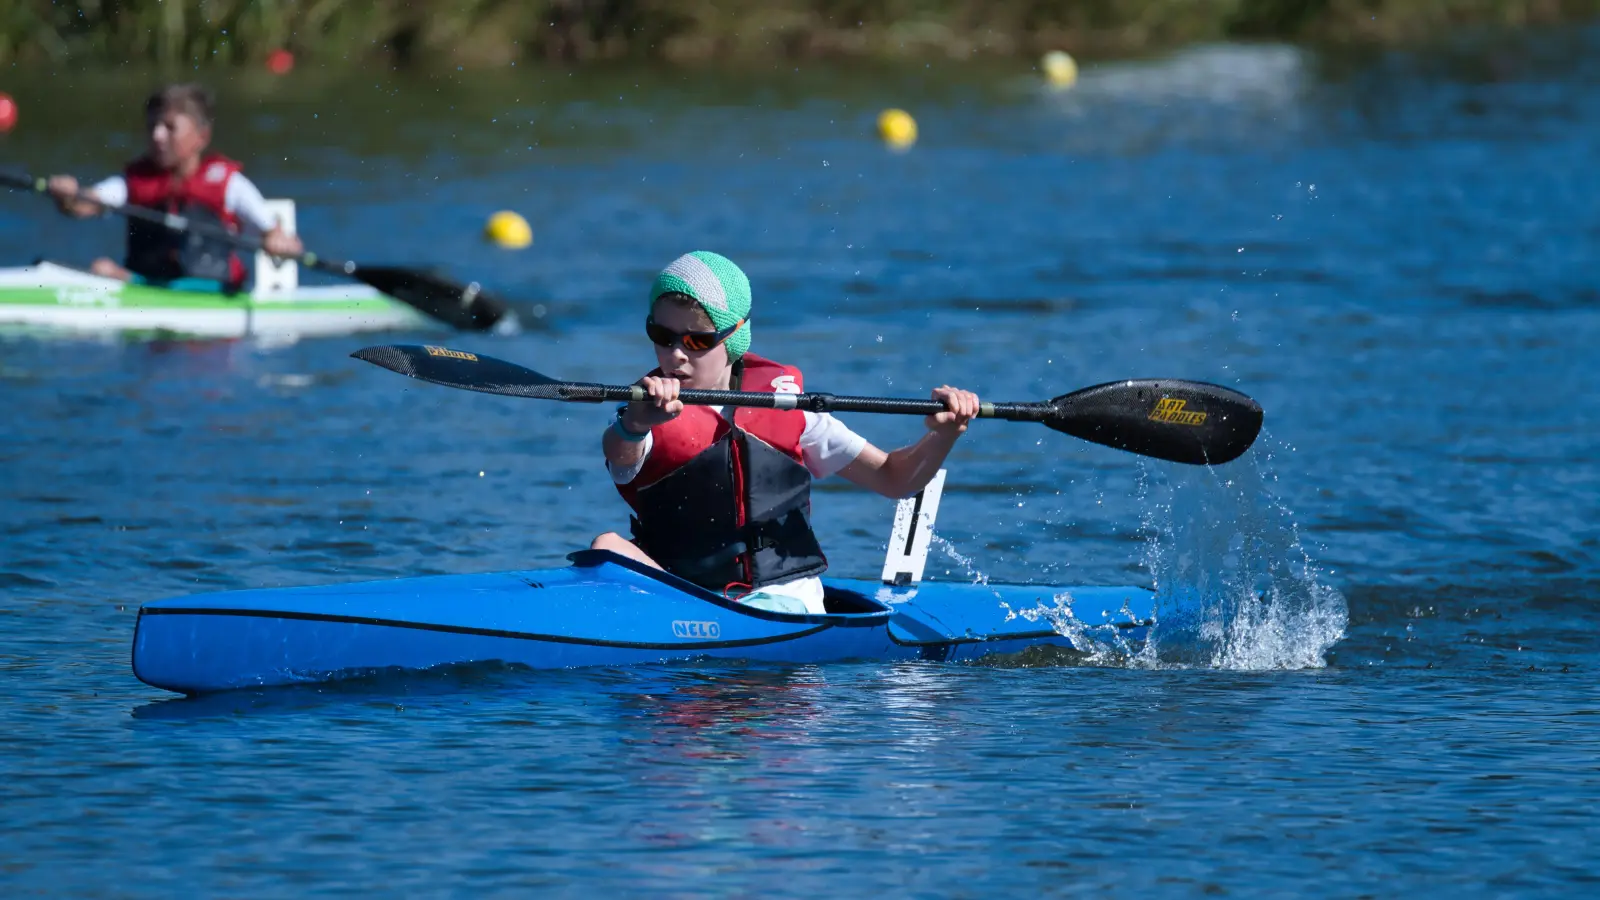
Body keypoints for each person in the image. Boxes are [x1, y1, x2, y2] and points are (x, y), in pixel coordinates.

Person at [593, 251, 981, 615]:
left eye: (696, 341)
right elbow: (620, 453)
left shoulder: (788, 407)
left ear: (734, 336)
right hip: (685, 597)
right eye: (663, 336)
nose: (676, 354)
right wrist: (636, 424)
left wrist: (944, 434)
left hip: (780, 598)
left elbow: (895, 479)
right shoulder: (644, 408)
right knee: (607, 547)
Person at [45, 83, 302, 292]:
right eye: (152, 126)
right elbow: (85, 204)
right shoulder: (135, 180)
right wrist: (68, 196)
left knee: (105, 270)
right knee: (102, 269)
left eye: (169, 127)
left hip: (214, 292)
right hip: (147, 285)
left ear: (202, 136)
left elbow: (283, 239)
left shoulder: (229, 184)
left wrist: (278, 242)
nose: (157, 136)